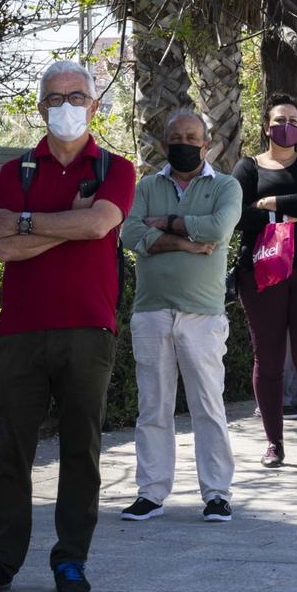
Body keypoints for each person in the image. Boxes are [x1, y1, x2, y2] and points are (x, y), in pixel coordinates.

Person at [0, 60, 135, 592]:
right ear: (40, 108)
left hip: (88, 328)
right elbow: (6, 245)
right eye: (55, 98)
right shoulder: (17, 171)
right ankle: (0, 559)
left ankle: (71, 560)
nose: (67, 107)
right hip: (19, 330)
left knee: (80, 447)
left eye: (77, 97)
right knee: (9, 448)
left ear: (94, 104)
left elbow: (99, 223)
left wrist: (32, 221)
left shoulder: (116, 169)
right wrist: (65, 223)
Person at [119, 109, 244, 523]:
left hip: (202, 315)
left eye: (193, 137)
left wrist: (167, 224)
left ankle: (217, 494)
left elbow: (219, 229)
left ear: (207, 144)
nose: (184, 144)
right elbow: (130, 233)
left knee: (208, 405)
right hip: (152, 312)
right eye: (177, 137)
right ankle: (151, 492)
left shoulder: (226, 186)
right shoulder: (147, 186)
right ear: (164, 143)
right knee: (153, 406)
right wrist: (186, 243)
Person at [233, 93, 297, 466]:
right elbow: (237, 215)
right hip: (261, 273)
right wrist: (280, 216)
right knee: (269, 357)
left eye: (293, 121)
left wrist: (270, 203)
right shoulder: (247, 168)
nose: (286, 127)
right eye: (279, 121)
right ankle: (274, 442)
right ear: (266, 126)